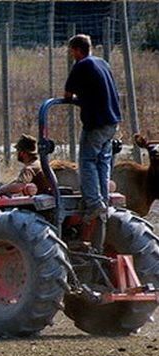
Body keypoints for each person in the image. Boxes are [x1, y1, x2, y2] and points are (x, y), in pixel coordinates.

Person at [64, 34, 121, 225]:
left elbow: (67, 94)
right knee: (102, 162)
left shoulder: (81, 65)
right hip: (112, 122)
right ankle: (103, 200)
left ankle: (94, 203)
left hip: (96, 123)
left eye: (71, 51)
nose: (71, 54)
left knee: (87, 160)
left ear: (77, 50)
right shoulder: (102, 63)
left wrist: (75, 100)